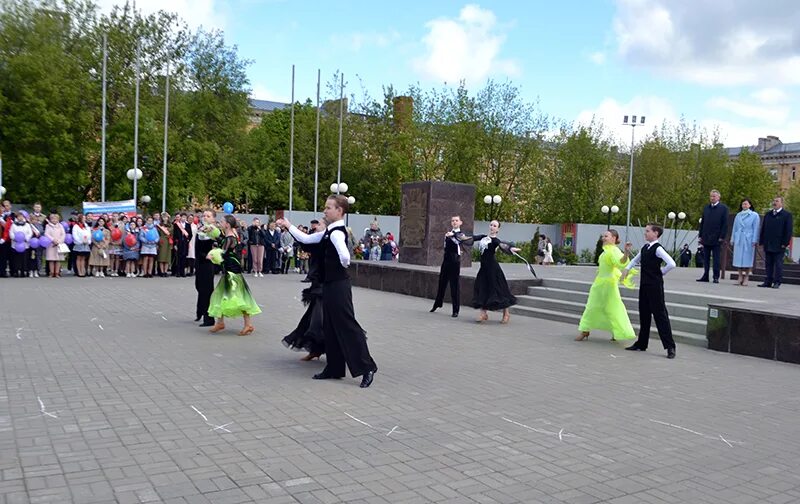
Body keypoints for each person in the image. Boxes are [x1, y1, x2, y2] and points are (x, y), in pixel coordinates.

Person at [277, 194, 378, 388]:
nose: (325, 210)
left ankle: (367, 367)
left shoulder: (337, 232)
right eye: (325, 207)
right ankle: (334, 368)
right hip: (330, 285)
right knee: (330, 327)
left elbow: (345, 255)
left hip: (339, 285)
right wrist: (288, 225)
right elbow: (305, 238)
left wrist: (343, 263)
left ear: (339, 211)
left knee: (347, 325)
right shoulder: (327, 232)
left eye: (328, 207)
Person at [621, 223, 677, 359]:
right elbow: (635, 260)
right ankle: (641, 343)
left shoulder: (658, 249)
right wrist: (627, 269)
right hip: (644, 285)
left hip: (655, 286)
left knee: (660, 315)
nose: (645, 233)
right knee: (644, 314)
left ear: (656, 233)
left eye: (648, 231)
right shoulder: (645, 248)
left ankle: (670, 346)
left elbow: (672, 263)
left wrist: (660, 273)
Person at [576, 229, 635, 342]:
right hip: (599, 284)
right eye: (604, 236)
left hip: (609, 285)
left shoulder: (614, 251)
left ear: (614, 238)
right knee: (591, 307)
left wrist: (626, 252)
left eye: (606, 236)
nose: (603, 238)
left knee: (613, 308)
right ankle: (585, 331)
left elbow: (621, 262)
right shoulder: (605, 251)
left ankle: (617, 332)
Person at [207, 214, 261, 335]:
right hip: (230, 270)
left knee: (237, 298)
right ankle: (220, 322)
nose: (220, 223)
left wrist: (212, 254)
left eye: (222, 221)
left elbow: (223, 253)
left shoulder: (230, 237)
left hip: (232, 272)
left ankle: (248, 325)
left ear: (227, 224)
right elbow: (223, 242)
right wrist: (214, 234)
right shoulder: (230, 235)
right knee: (221, 295)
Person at [282, 219, 326, 360]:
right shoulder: (317, 240)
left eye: (319, 224)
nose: (315, 227)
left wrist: (289, 226)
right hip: (317, 284)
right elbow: (304, 242)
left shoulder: (326, 241)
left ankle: (327, 350)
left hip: (325, 286)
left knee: (318, 321)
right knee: (312, 319)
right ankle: (316, 350)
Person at [471, 220, 519, 324]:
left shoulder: (496, 240)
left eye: (495, 226)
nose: (492, 227)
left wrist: (511, 249)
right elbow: (471, 238)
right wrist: (457, 236)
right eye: (491, 225)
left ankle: (506, 313)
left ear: (497, 229)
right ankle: (483, 313)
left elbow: (503, 246)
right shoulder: (483, 237)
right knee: (482, 288)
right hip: (483, 269)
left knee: (499, 290)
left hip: (493, 269)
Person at [430, 215, 469, 318]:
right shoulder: (447, 234)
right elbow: (445, 246)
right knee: (442, 282)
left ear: (460, 222)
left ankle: (455, 310)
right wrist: (449, 236)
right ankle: (437, 303)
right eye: (453, 221)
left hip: (455, 262)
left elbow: (459, 241)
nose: (454, 222)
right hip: (446, 260)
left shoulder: (461, 234)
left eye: (456, 220)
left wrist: (452, 235)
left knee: (454, 285)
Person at [758, 196, 793, 289]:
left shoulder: (786, 215)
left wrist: (785, 243)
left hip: (779, 244)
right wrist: (761, 241)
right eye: (773, 201)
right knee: (768, 263)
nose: (774, 203)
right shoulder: (768, 214)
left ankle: (777, 281)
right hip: (768, 242)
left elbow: (788, 230)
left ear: (781, 203)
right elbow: (763, 228)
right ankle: (768, 281)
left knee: (778, 264)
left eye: (777, 201)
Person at [697, 189, 729, 283]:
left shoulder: (723, 208)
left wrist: (722, 236)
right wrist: (701, 235)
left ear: (719, 197)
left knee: (716, 258)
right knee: (705, 258)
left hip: (717, 238)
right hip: (706, 237)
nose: (712, 198)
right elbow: (703, 222)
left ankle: (716, 276)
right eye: (711, 196)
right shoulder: (706, 208)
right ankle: (705, 275)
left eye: (714, 196)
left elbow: (725, 224)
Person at [195, 210, 218, 327]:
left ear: (213, 219)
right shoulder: (201, 229)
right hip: (199, 262)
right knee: (199, 286)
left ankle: (209, 318)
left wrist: (212, 253)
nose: (205, 217)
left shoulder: (214, 231)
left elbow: (217, 246)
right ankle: (200, 311)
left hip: (207, 263)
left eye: (208, 216)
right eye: (204, 215)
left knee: (207, 290)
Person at [731, 198, 760, 286]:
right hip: (739, 238)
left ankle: (747, 276)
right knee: (738, 258)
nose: (744, 205)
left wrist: (754, 240)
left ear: (750, 205)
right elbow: (734, 228)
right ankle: (740, 276)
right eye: (743, 204)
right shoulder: (738, 215)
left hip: (748, 239)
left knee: (748, 258)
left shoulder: (754, 215)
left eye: (746, 204)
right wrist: (733, 239)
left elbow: (756, 228)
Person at [44, 213, 66, 278]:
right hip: (51, 245)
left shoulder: (60, 226)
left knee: (58, 259)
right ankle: (51, 273)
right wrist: (53, 240)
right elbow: (46, 234)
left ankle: (57, 273)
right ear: (50, 219)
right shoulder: (47, 226)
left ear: (58, 219)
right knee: (51, 259)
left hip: (59, 245)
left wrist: (59, 241)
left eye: (56, 219)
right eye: (52, 219)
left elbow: (63, 234)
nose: (54, 220)